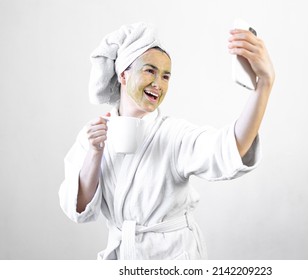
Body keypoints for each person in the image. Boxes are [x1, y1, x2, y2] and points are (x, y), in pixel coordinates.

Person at [59, 22, 275, 260]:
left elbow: (230, 147)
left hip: (171, 257)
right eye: (150, 71)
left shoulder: (173, 134)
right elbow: (78, 210)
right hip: (123, 256)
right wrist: (94, 152)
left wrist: (263, 85)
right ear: (123, 74)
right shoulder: (94, 134)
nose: (158, 84)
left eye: (166, 76)